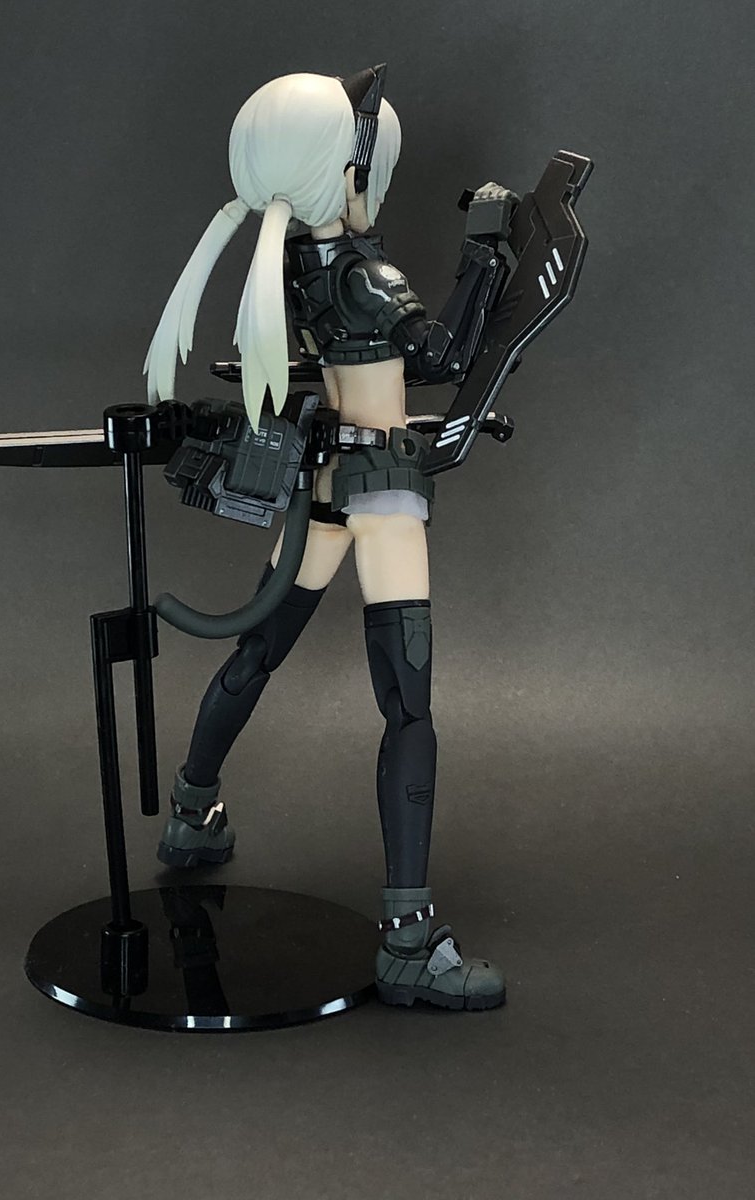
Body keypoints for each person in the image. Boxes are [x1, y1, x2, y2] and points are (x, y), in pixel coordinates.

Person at [143, 67, 510, 1010]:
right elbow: (443, 355)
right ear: (345, 172)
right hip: (380, 493)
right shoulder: (365, 274)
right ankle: (408, 939)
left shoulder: (294, 263)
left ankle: (191, 812)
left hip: (323, 485)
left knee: (259, 649)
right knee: (409, 706)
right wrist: (487, 253)